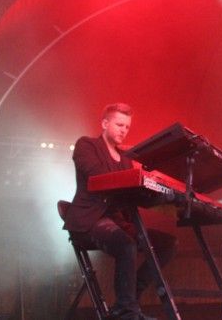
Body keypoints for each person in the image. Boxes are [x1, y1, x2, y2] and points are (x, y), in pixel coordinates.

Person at [64, 103, 176, 320]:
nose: (124, 130)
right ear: (105, 123)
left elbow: (130, 194)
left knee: (167, 244)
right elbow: (96, 175)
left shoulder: (126, 159)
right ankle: (127, 311)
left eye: (127, 127)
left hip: (117, 222)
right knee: (126, 244)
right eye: (119, 124)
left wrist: (161, 193)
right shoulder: (86, 145)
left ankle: (130, 298)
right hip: (90, 219)